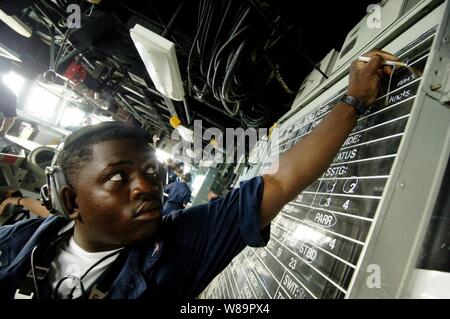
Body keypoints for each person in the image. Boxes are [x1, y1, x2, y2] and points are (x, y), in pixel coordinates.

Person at [0, 50, 396, 299]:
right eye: (118, 178)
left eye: (152, 173)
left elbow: (277, 181)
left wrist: (355, 100)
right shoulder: (16, 243)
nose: (147, 187)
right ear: (70, 201)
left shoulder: (180, 246)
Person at [0, 60, 18, 136]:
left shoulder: (9, 95)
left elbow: (10, 119)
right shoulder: (9, 94)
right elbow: (10, 119)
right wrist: (2, 133)